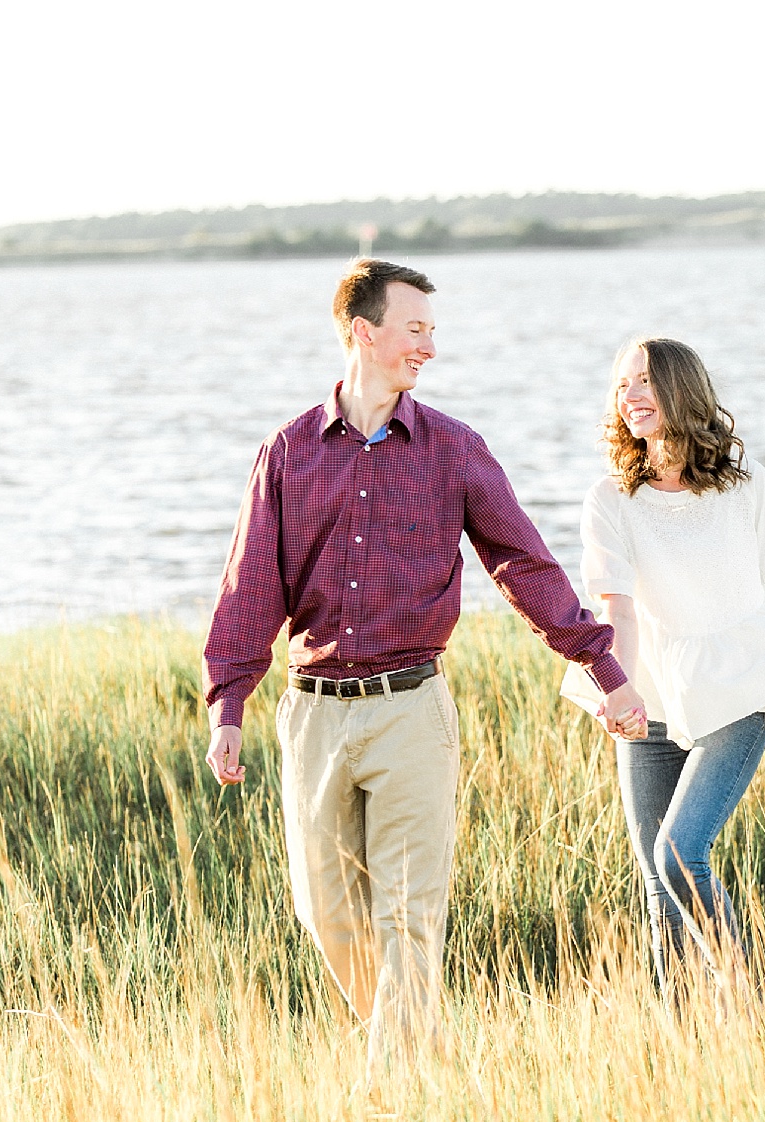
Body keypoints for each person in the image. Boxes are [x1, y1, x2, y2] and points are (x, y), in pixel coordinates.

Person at [202, 259, 645, 1073]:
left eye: (432, 332)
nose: (429, 348)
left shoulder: (454, 449)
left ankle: (390, 1086)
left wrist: (603, 667)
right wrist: (227, 706)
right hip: (313, 712)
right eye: (415, 329)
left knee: (409, 914)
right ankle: (427, 1058)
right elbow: (250, 586)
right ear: (363, 332)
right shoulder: (287, 453)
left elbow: (524, 564)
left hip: (411, 708)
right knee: (325, 913)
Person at [561, 336, 765, 1001]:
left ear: (681, 387)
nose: (629, 396)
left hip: (742, 686)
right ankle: (684, 1033)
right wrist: (619, 690)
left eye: (644, 381)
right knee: (657, 884)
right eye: (622, 384)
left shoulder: (747, 486)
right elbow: (619, 611)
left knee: (679, 852)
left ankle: (746, 991)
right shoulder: (610, 498)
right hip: (654, 694)